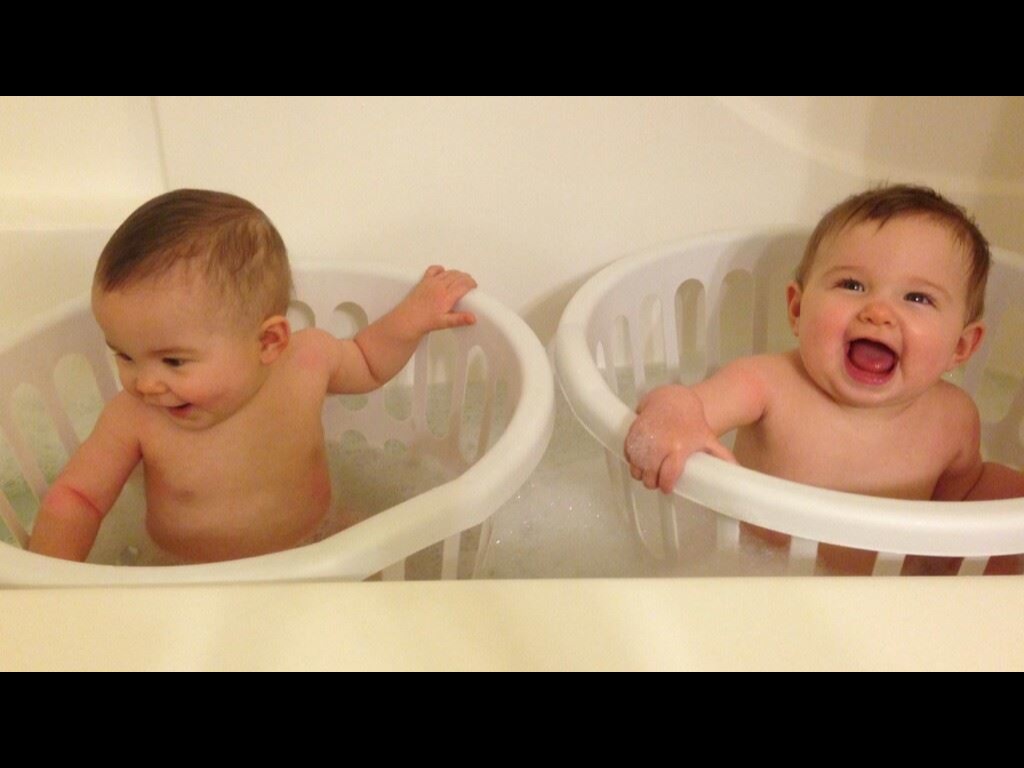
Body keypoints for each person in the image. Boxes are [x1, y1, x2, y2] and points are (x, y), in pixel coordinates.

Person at [28, 189, 477, 563]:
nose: (144, 383)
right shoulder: (133, 417)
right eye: (123, 355)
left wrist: (412, 317)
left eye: (174, 362)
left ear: (268, 343)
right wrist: (51, 586)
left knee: (374, 555)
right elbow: (79, 498)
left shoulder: (308, 361)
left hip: (316, 546)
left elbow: (368, 359)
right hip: (186, 577)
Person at [624, 185, 1024, 573]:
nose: (878, 312)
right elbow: (684, 404)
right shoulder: (766, 383)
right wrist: (670, 419)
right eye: (852, 285)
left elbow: (959, 500)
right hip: (750, 581)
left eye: (918, 298)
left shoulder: (954, 418)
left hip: (892, 597)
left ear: (962, 346)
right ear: (797, 309)